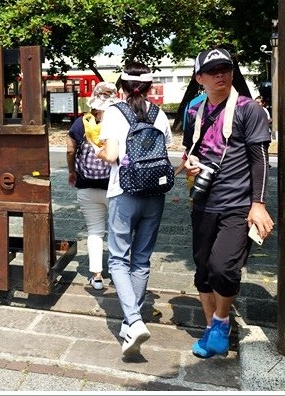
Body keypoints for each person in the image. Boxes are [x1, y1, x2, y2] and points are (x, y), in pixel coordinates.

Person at [181, 47, 274, 358]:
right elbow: (189, 151)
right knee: (203, 270)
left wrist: (257, 203)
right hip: (203, 202)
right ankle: (211, 330)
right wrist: (191, 163)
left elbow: (260, 160)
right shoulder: (195, 110)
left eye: (225, 68)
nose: (220, 74)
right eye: (212, 71)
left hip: (237, 204)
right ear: (199, 79)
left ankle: (221, 321)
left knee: (224, 268)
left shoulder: (250, 110)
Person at [94, 62, 172, 358]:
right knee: (141, 259)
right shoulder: (159, 114)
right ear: (150, 88)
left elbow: (112, 155)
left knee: (117, 260)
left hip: (124, 193)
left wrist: (99, 150)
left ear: (122, 87)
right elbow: (165, 148)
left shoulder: (115, 112)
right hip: (155, 193)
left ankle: (135, 320)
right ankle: (130, 323)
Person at [66, 81, 119, 291]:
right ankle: (118, 274)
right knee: (118, 232)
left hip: (86, 186)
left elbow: (70, 151)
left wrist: (72, 171)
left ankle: (96, 277)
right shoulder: (120, 122)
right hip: (115, 187)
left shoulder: (81, 123)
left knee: (95, 232)